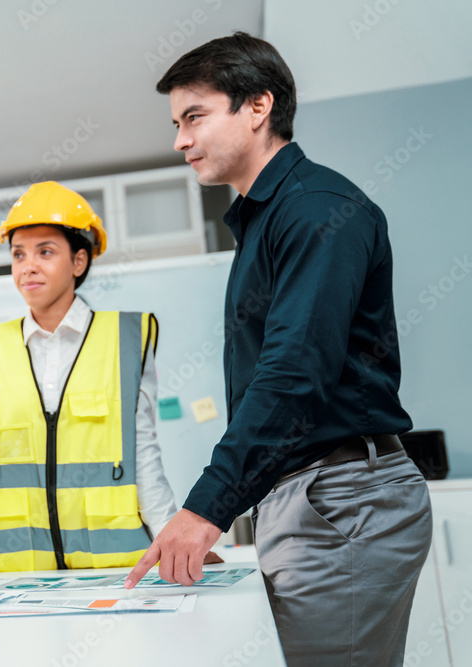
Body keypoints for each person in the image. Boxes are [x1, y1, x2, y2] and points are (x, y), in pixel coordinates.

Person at [124, 33, 432, 666]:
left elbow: (293, 376)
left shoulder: (316, 209)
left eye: (194, 117)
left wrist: (205, 509)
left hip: (342, 496)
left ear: (258, 107)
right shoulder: (268, 218)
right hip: (314, 494)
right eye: (176, 123)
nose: (180, 140)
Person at [0, 181, 220, 575]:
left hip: (113, 576)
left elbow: (143, 455)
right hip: (21, 582)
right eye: (18, 254)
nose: (28, 265)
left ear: (78, 262)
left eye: (45, 252)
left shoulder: (124, 342)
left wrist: (174, 539)